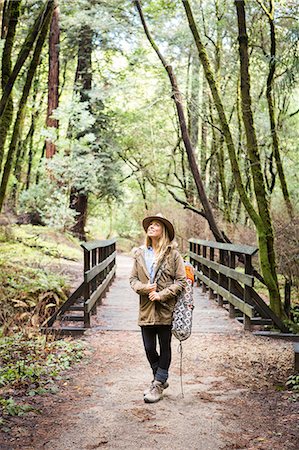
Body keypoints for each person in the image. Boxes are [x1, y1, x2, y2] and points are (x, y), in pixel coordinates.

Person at [129, 213, 186, 403]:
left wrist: (162, 294)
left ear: (164, 231)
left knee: (165, 346)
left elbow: (181, 282)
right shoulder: (140, 254)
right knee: (149, 348)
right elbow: (132, 280)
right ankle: (160, 378)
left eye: (156, 225)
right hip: (146, 308)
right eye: (150, 225)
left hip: (165, 309)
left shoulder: (173, 255)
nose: (151, 227)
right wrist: (144, 288)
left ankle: (158, 385)